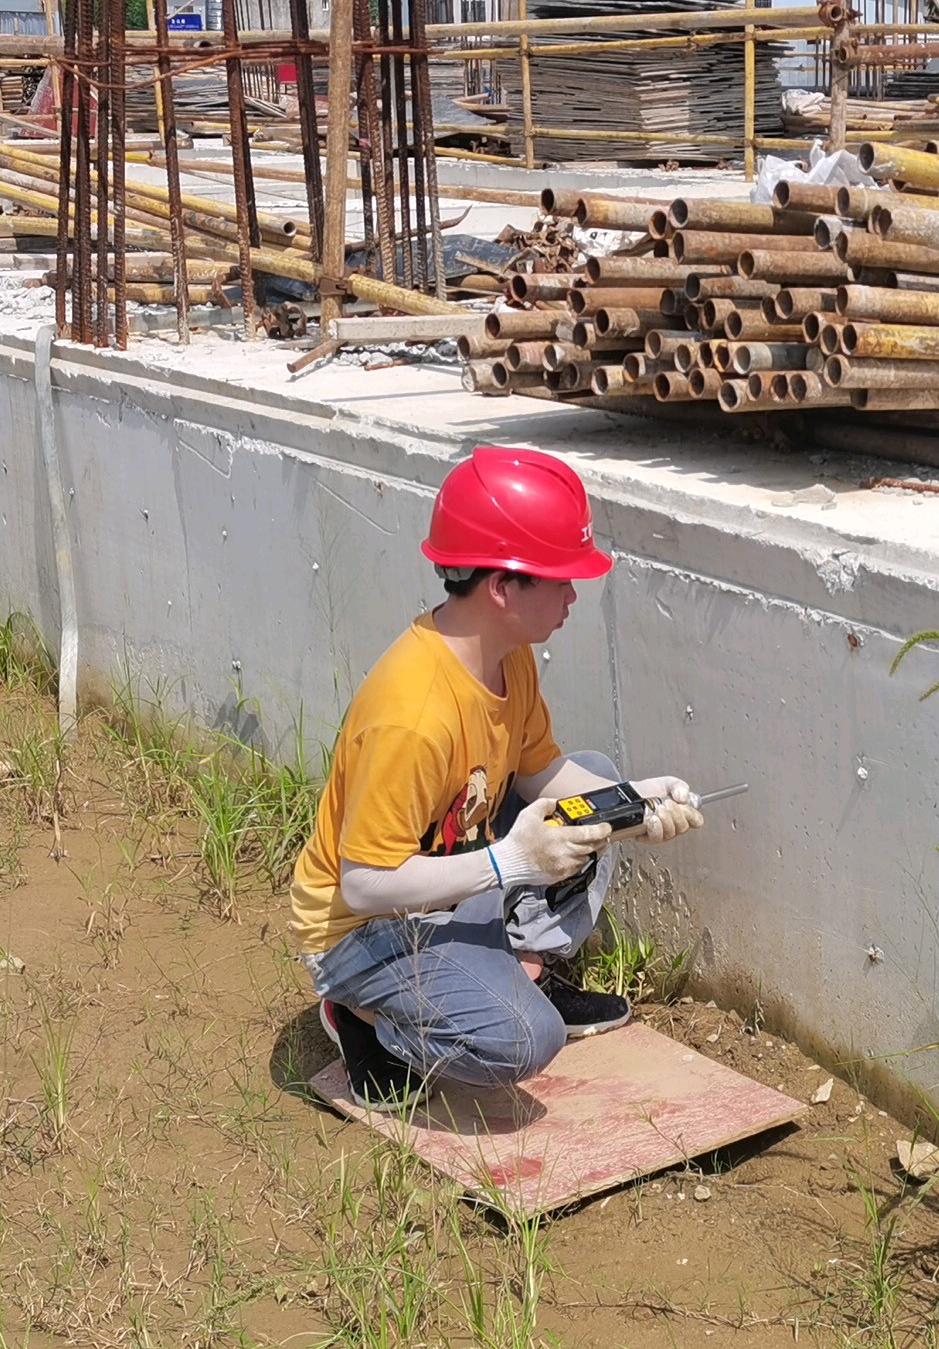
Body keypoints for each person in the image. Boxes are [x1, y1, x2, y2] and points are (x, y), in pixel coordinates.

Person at [290, 445, 706, 1103]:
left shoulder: (507, 656)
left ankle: (520, 969)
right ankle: (363, 1014)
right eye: (559, 579)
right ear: (503, 587)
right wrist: (509, 862)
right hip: (364, 931)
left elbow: (541, 776)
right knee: (524, 1041)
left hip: (447, 879)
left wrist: (636, 803)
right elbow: (365, 884)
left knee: (596, 782)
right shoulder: (412, 717)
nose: (573, 595)